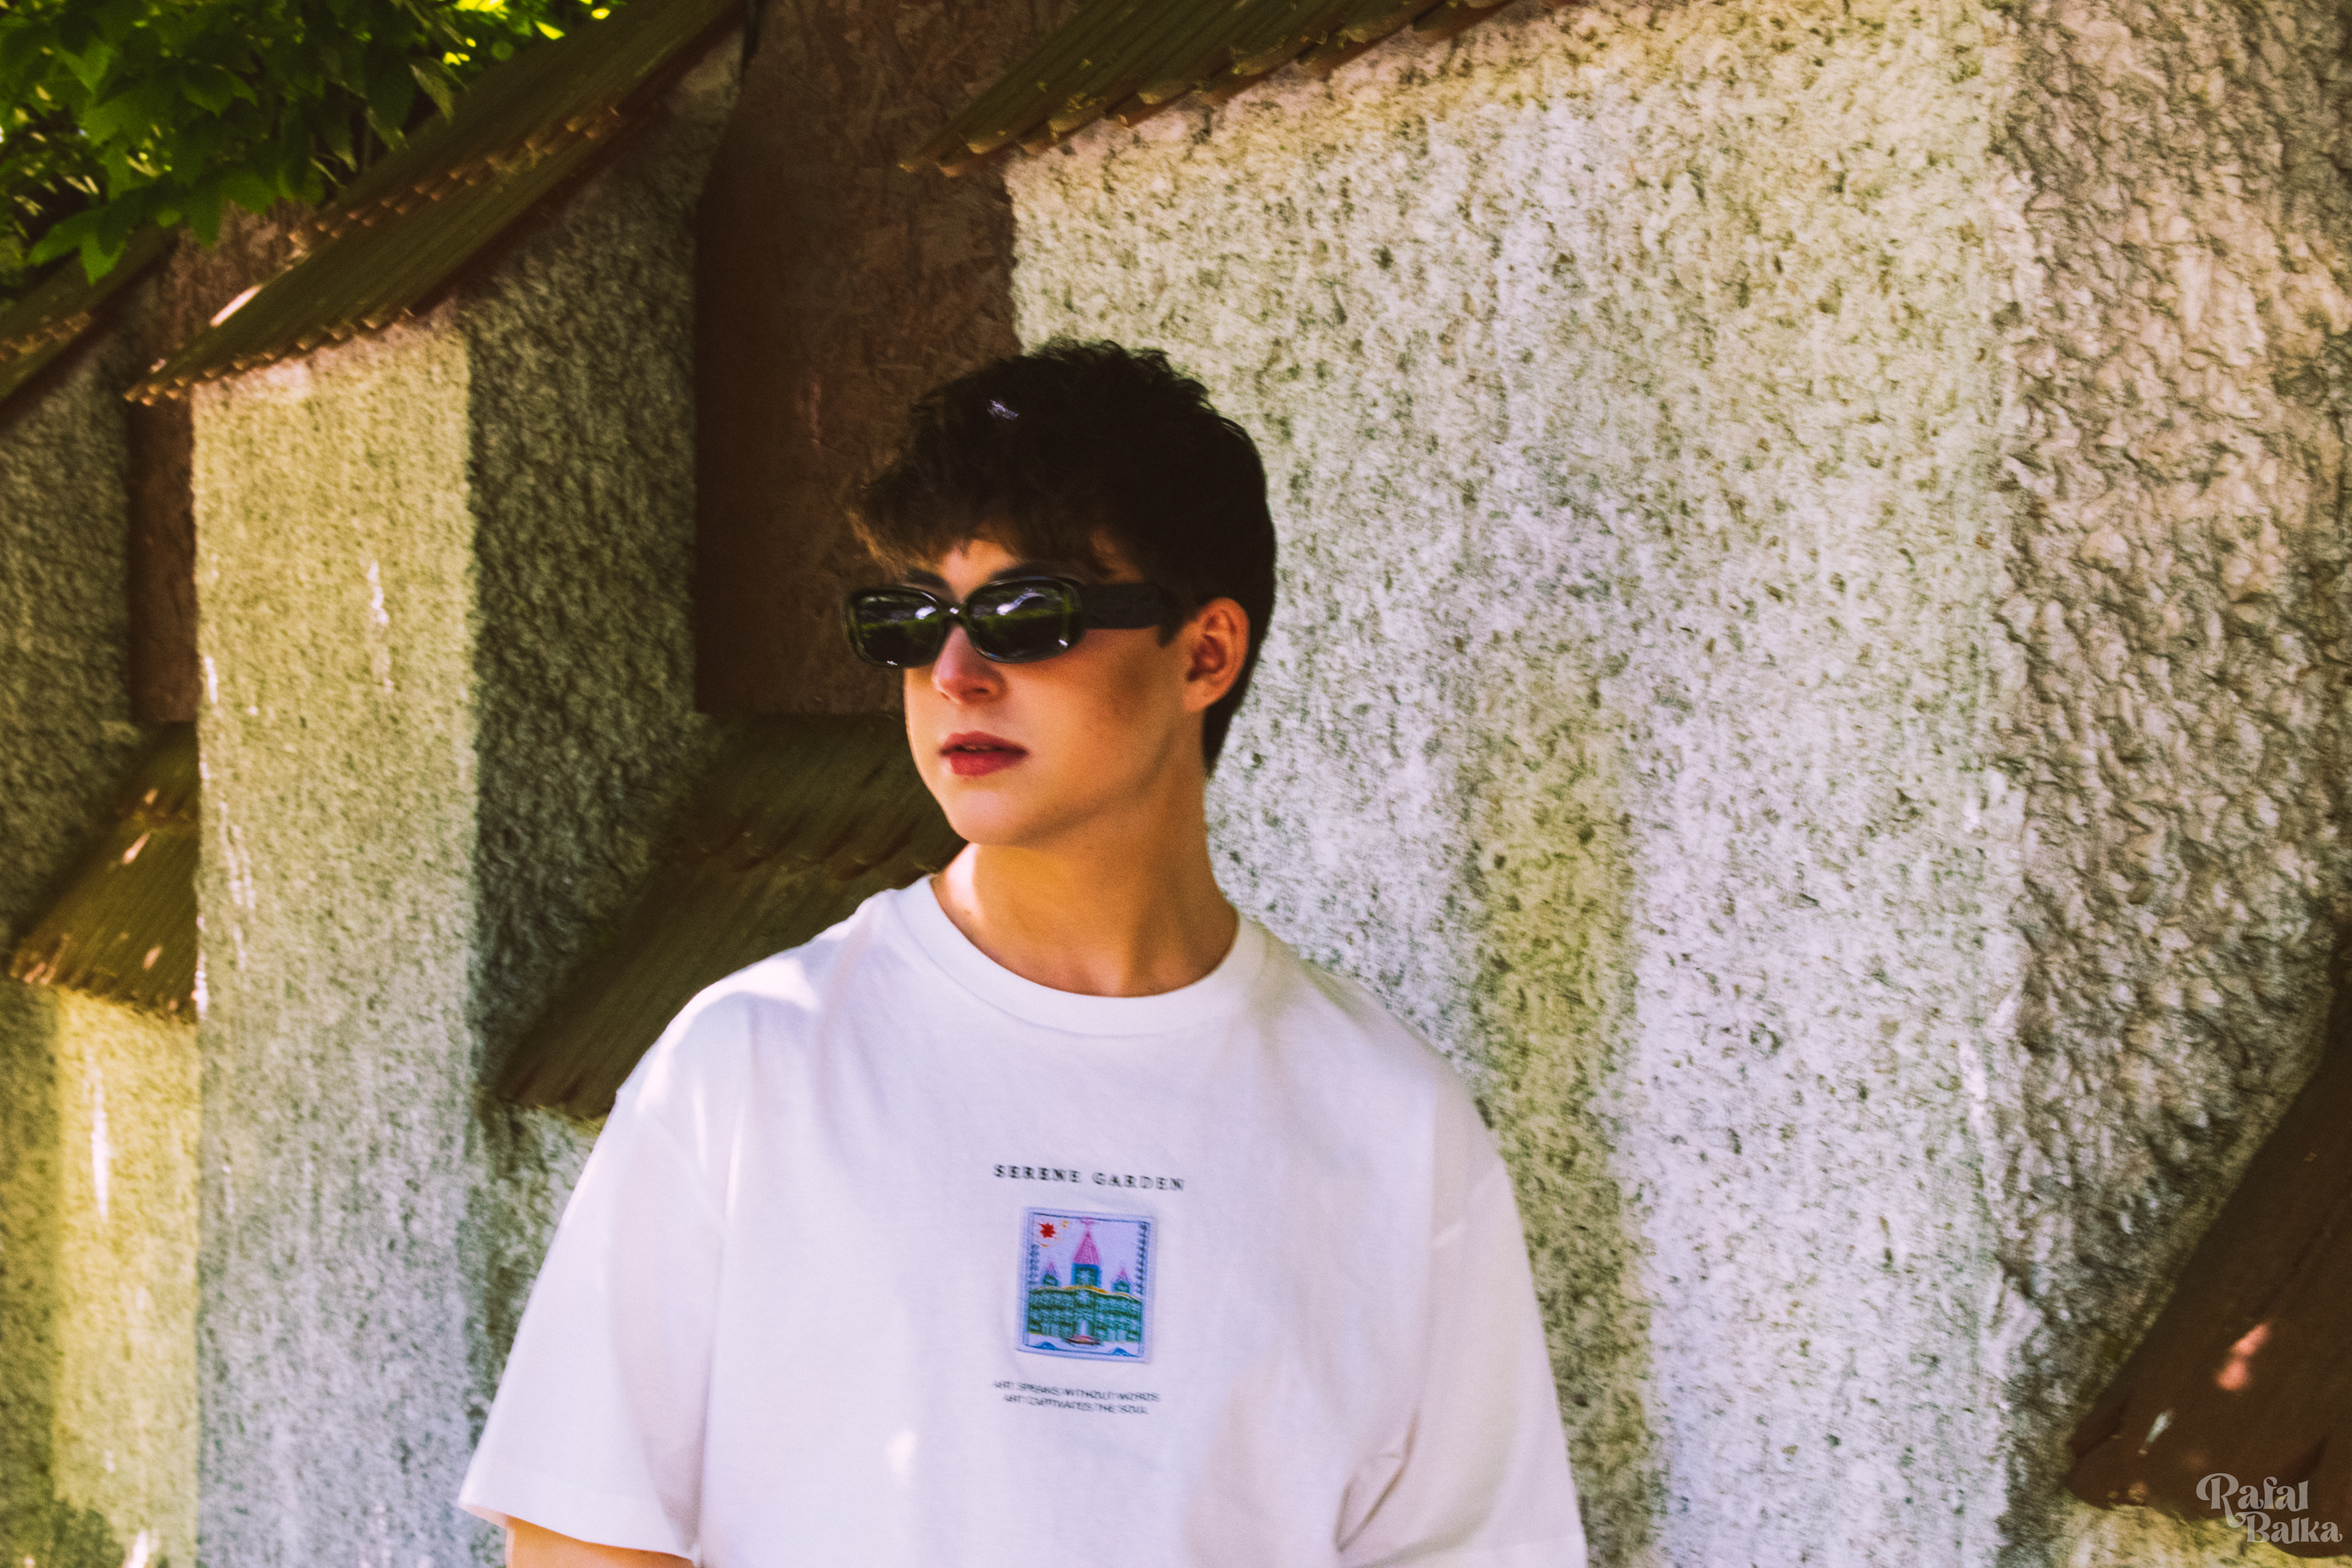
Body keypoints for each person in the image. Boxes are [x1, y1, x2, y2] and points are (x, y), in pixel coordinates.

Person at [459, 341, 1586, 1567]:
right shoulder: (753, 1064)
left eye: (1026, 615)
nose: (955, 675)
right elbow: (581, 1534)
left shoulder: (1388, 1123)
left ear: (1205, 652)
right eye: (912, 621)